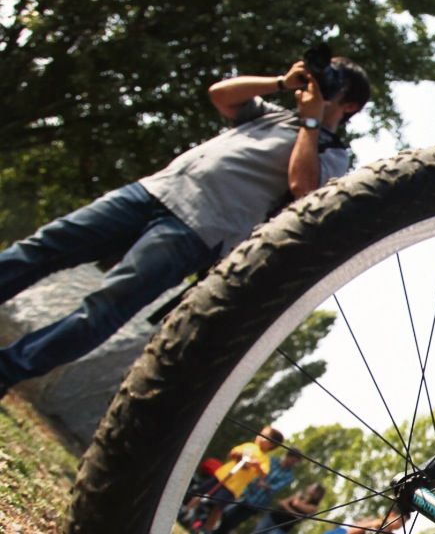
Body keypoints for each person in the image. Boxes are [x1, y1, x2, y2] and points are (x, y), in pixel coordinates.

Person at [0, 52, 370, 398]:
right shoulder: (271, 113)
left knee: (102, 308)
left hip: (198, 229)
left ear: (349, 105)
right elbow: (220, 94)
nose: (322, 83)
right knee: (42, 248)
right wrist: (281, 82)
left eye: (333, 82)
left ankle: (6, 370)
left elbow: (303, 187)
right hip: (154, 191)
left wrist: (310, 120)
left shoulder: (333, 153)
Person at [214, 447, 303, 534]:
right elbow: (257, 472)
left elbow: (276, 488)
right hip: (245, 493)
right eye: (293, 460)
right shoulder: (271, 461)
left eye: (295, 462)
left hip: (258, 502)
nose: (293, 463)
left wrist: (264, 483)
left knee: (233, 522)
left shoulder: (289, 476)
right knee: (225, 513)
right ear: (288, 455)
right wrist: (261, 480)